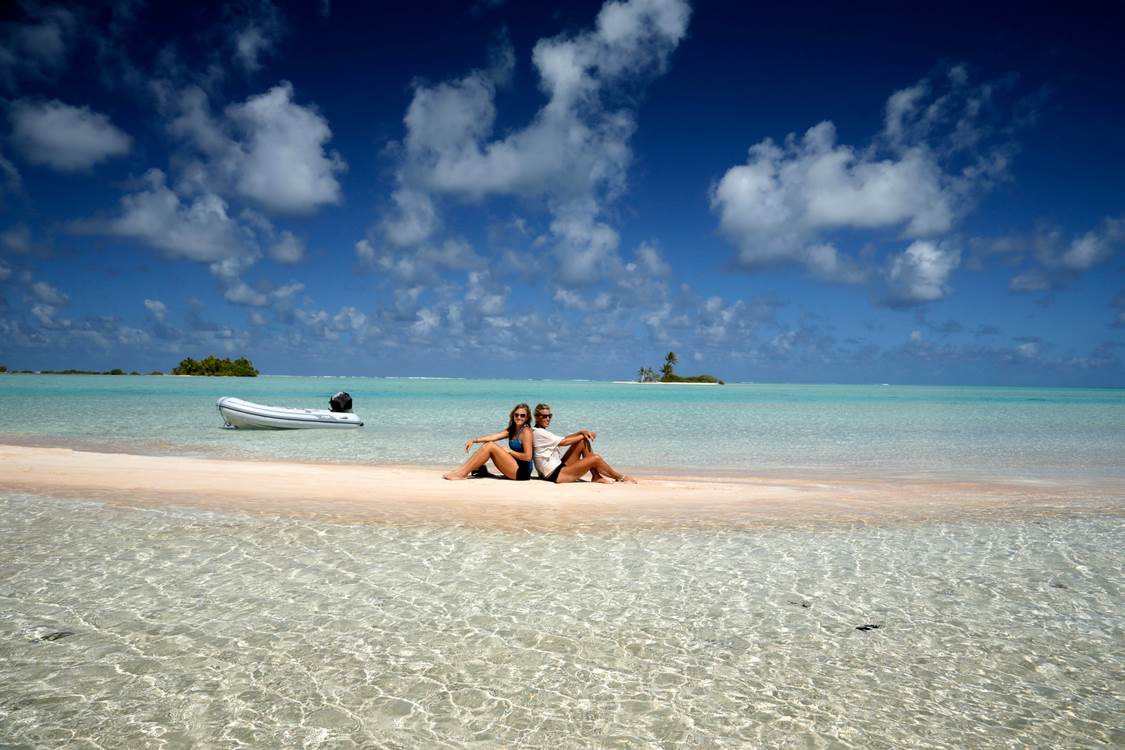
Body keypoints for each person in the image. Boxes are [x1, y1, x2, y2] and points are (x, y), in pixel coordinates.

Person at [531, 403, 635, 483]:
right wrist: (584, 435)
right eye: (544, 416)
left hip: (556, 468)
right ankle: (621, 477)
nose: (548, 419)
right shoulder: (540, 433)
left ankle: (596, 476)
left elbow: (564, 438)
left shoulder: (539, 431)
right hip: (555, 475)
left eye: (550, 416)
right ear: (536, 417)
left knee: (582, 442)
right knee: (595, 458)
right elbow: (564, 442)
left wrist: (581, 433)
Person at [443, 403, 534, 480]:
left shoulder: (526, 432)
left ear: (527, 418)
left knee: (490, 446)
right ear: (513, 416)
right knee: (489, 444)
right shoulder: (513, 430)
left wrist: (510, 452)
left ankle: (462, 474)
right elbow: (494, 437)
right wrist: (474, 440)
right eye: (516, 415)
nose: (519, 417)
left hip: (522, 473)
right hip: (514, 466)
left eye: (522, 415)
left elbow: (528, 457)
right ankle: (461, 471)